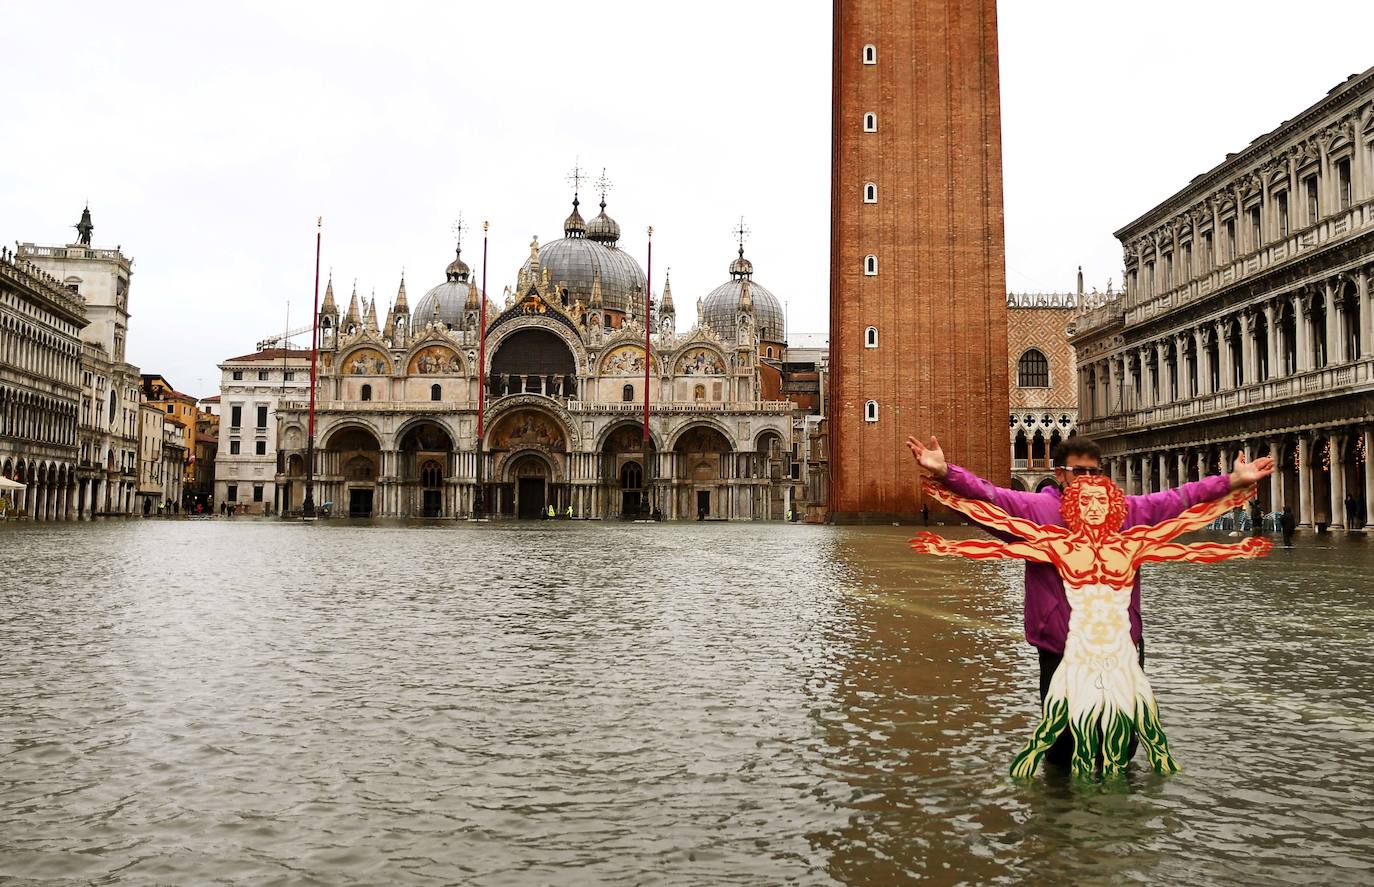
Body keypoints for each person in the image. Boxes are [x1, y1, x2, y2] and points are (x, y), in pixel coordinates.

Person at [906, 434, 1273, 769]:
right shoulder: (1035, 510)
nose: (1086, 479)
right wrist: (945, 471)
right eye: (1078, 471)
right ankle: (1063, 825)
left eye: (1094, 472)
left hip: (1122, 646)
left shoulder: (1127, 513)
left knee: (1124, 745)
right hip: (1061, 646)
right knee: (1063, 746)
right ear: (1059, 473)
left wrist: (1232, 481)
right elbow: (988, 496)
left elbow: (1179, 499)